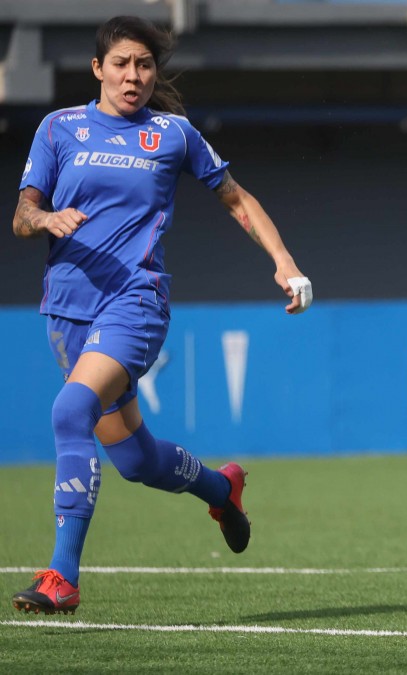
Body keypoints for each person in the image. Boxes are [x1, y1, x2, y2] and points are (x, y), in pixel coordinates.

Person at [11, 16, 313, 615]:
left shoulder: (172, 133)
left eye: (144, 65)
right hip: (68, 311)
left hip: (135, 301)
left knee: (71, 408)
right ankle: (221, 488)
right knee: (134, 458)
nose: (133, 76)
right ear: (98, 69)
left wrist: (283, 260)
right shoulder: (58, 128)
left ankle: (61, 577)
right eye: (121, 63)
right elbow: (23, 214)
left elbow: (235, 198)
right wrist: (45, 220)